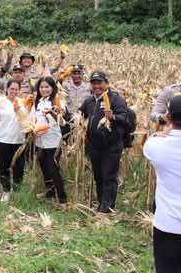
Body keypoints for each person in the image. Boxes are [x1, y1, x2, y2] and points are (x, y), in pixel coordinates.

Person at [79, 71, 132, 213]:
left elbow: (125, 119)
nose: (97, 86)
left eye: (99, 83)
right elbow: (80, 115)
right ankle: (101, 203)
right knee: (98, 176)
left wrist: (113, 117)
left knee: (108, 176)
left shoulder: (115, 99)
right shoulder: (89, 101)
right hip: (94, 146)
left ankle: (106, 208)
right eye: (94, 83)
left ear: (106, 84)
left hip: (111, 146)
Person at [143, 95, 181, 273]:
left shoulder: (155, 147)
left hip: (168, 225)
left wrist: (167, 128)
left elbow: (154, 139)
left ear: (169, 117)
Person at [31, 76, 69, 206]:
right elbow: (32, 120)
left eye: (47, 87)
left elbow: (63, 123)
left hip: (53, 141)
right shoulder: (38, 103)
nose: (44, 89)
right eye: (41, 87)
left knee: (53, 169)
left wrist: (53, 113)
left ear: (52, 88)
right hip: (40, 141)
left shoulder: (58, 102)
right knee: (44, 168)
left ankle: (62, 198)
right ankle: (51, 191)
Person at [0, 79, 30, 202]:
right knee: (4, 167)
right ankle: (6, 191)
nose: (14, 91)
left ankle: (17, 191)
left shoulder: (24, 103)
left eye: (16, 89)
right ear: (7, 89)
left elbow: (27, 121)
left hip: (19, 140)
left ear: (19, 90)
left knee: (19, 167)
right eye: (11, 89)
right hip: (3, 139)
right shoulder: (0, 102)